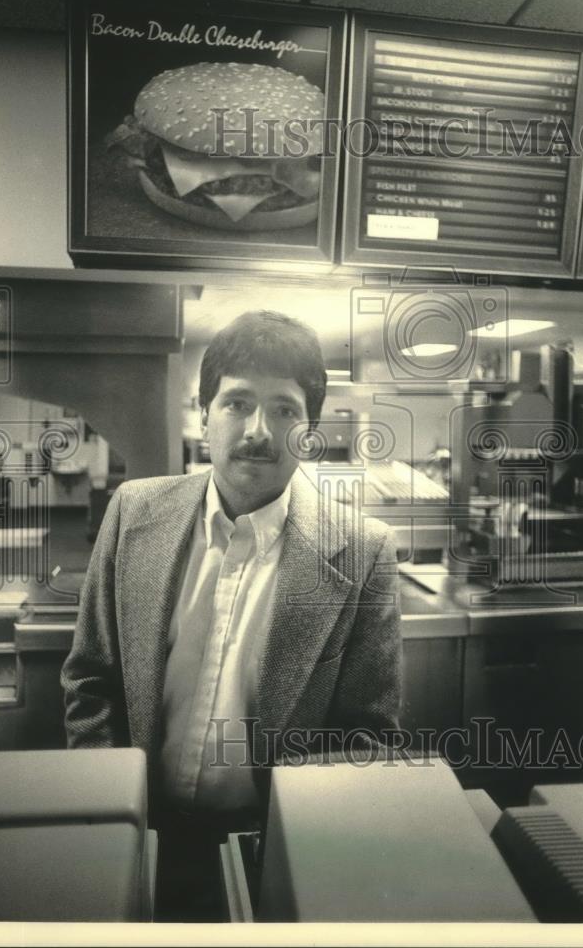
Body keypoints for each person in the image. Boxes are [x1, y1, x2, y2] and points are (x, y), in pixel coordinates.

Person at [61, 310, 402, 921]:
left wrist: (297, 855)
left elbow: (367, 734)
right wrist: (111, 816)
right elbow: (90, 679)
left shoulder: (363, 552)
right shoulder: (134, 512)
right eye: (237, 403)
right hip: (136, 832)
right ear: (204, 412)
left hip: (270, 851)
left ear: (310, 428)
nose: (259, 431)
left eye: (285, 410)